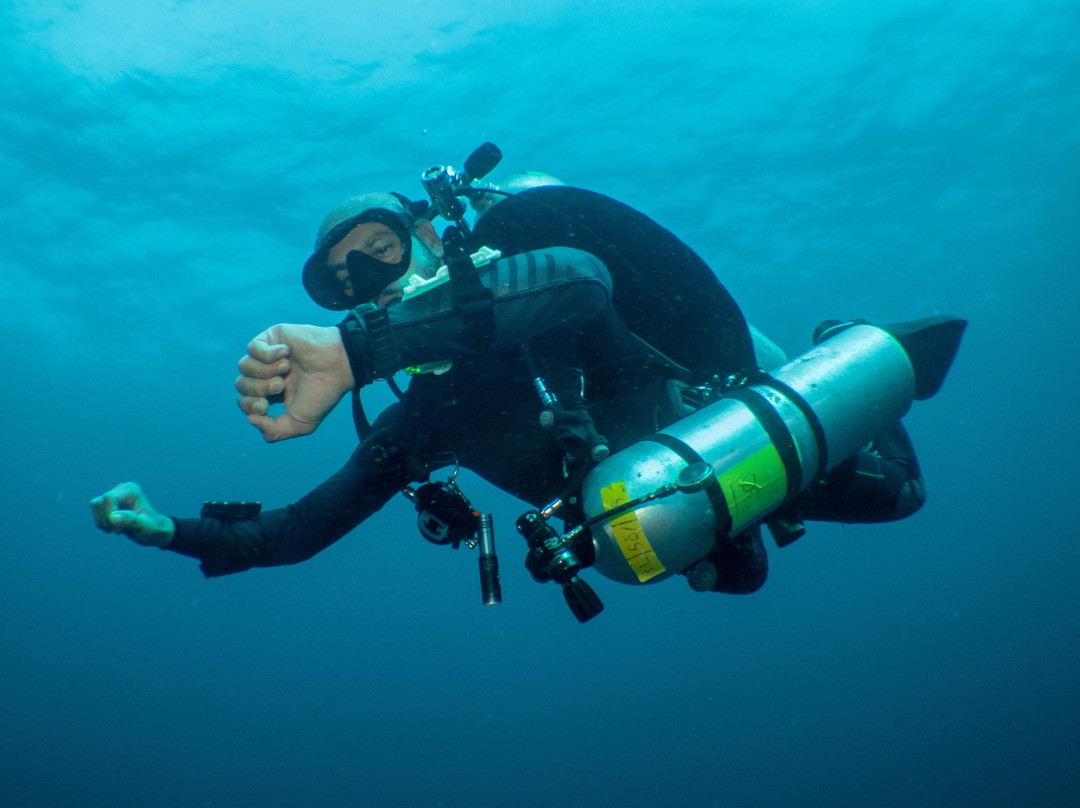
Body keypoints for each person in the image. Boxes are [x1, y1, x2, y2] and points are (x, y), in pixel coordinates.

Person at [91, 182, 925, 600]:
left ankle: (837, 343)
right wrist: (165, 530)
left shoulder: (517, 265)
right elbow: (295, 533)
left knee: (902, 498)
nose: (365, 282)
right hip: (683, 504)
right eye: (342, 283)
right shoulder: (425, 416)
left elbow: (580, 280)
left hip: (720, 411)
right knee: (734, 578)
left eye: (378, 252)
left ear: (425, 235)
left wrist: (357, 348)